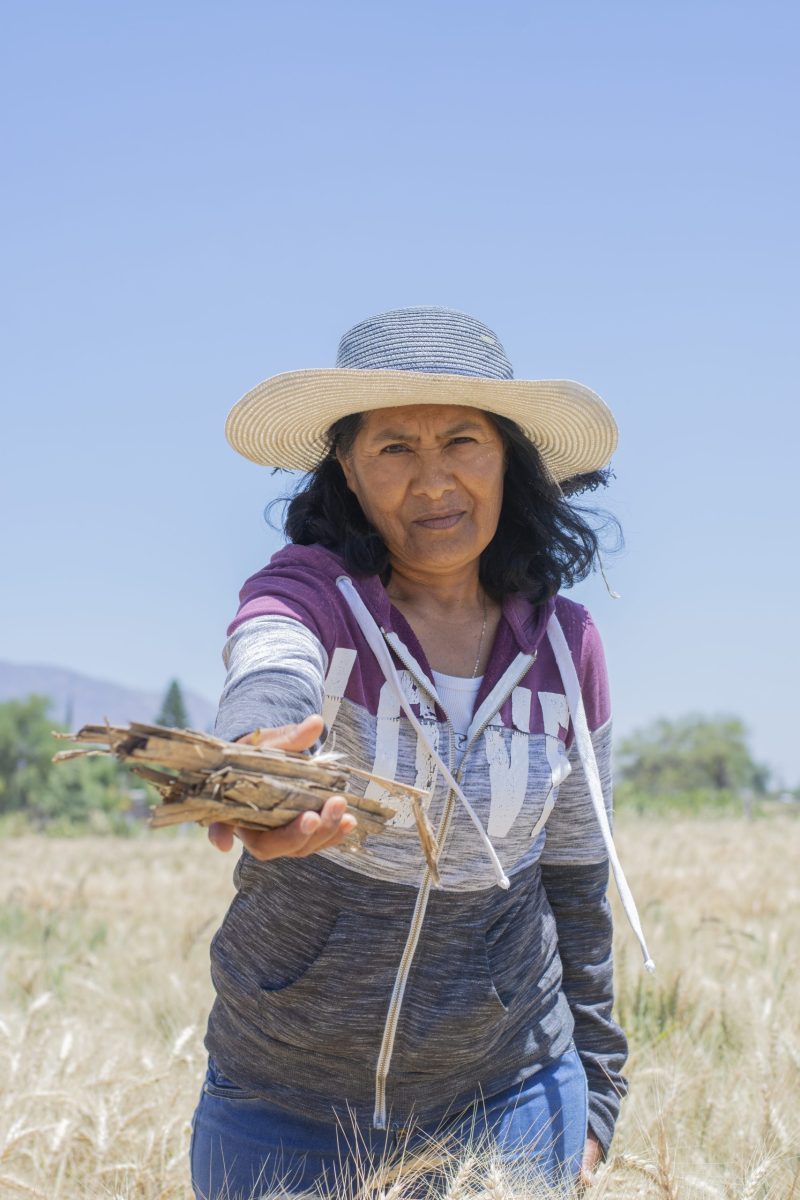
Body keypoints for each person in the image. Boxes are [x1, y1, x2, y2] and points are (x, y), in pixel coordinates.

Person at [189, 306, 652, 1200]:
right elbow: (269, 656)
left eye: (463, 442)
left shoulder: (566, 648)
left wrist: (597, 1098)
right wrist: (257, 760)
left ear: (509, 460)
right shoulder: (313, 596)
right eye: (394, 448)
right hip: (282, 1105)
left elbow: (578, 880)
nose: (433, 480)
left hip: (511, 1097)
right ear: (350, 476)